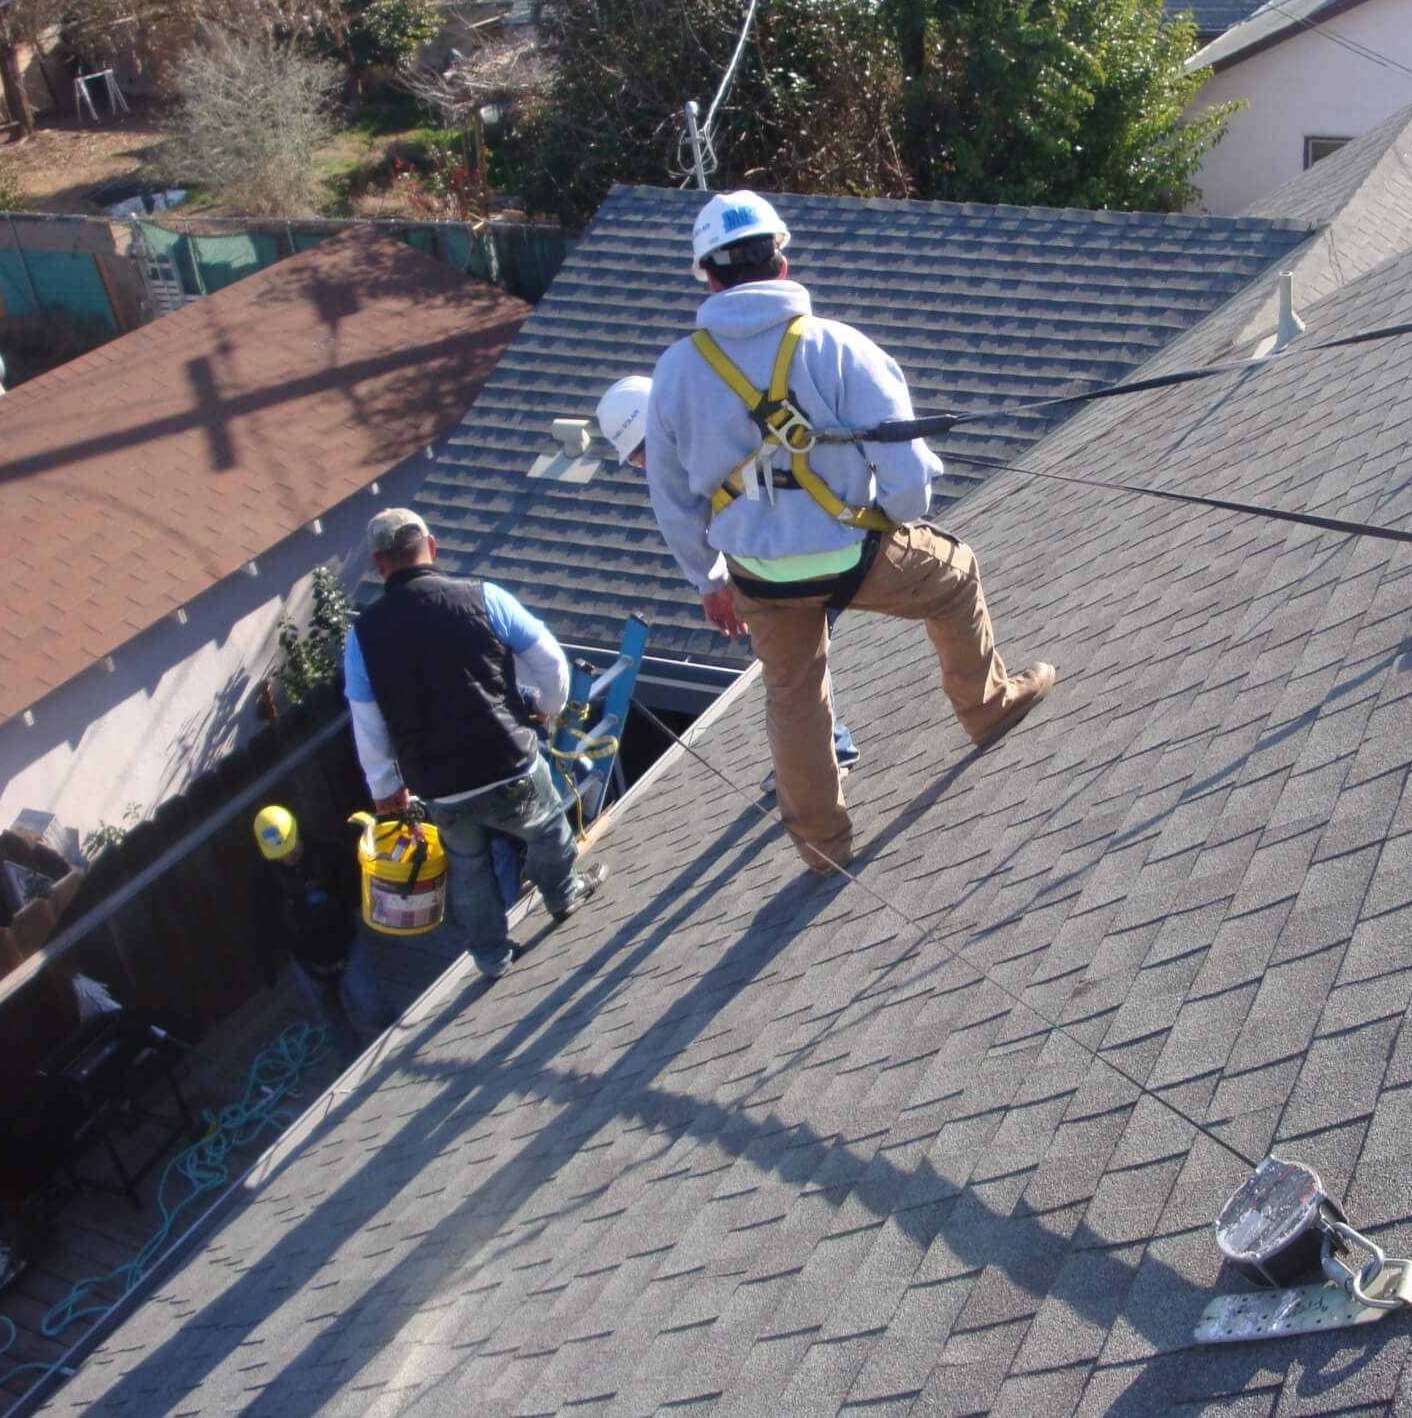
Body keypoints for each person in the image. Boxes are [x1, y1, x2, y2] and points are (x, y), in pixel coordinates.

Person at [640, 190, 1055, 875]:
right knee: (954, 574)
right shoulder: (838, 346)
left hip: (758, 574)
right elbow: (908, 477)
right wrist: (889, 517)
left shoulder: (676, 372)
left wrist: (708, 580)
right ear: (782, 262)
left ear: (708, 278)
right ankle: (986, 708)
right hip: (853, 552)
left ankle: (821, 846)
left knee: (794, 694)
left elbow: (672, 497)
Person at [343, 508, 599, 978]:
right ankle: (562, 892)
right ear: (432, 547)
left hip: (439, 784)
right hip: (507, 759)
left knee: (468, 868)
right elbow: (551, 663)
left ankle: (491, 956)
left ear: (378, 565)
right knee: (546, 830)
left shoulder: (362, 637)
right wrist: (547, 706)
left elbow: (367, 722)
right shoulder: (484, 597)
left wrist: (385, 789)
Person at [599, 373, 861, 795]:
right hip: (818, 537)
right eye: (634, 460)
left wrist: (713, 583)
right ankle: (823, 749)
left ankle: (825, 754)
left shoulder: (686, 455)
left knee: (791, 664)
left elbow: (684, 526)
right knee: (795, 661)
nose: (642, 465)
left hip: (794, 555)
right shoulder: (715, 423)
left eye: (637, 455)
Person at [253, 805, 397, 1049]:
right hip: (308, 963)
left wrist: (335, 905)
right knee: (334, 1023)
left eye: (291, 849)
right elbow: (261, 924)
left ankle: (398, 1036)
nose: (288, 857)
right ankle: (352, 1062)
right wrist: (266, 969)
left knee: (372, 1005)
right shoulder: (263, 880)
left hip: (347, 947)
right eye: (281, 854)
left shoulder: (327, 854)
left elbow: (356, 886)